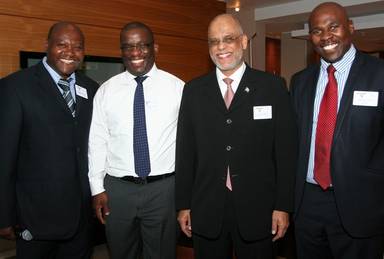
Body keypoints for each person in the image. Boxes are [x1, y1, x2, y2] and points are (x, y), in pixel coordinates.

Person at [175, 14, 297, 259]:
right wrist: (183, 204)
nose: (220, 47)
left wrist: (283, 206)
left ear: (243, 41)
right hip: (207, 206)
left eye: (228, 39)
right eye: (214, 41)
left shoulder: (272, 88)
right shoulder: (194, 90)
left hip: (258, 208)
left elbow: (286, 152)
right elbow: (186, 152)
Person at [290, 2, 384, 258]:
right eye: (317, 30)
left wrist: (382, 193)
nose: (326, 36)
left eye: (333, 27)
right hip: (307, 205)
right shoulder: (300, 81)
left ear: (350, 27)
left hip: (362, 205)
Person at [0, 22, 98, 258]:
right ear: (47, 45)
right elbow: (4, 158)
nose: (70, 52)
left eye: (77, 47)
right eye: (61, 44)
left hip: (80, 219)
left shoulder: (92, 88)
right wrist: (4, 216)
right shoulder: (14, 88)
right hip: (35, 218)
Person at [88, 21, 184, 259]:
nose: (135, 53)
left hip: (163, 190)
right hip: (118, 191)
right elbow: (97, 141)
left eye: (142, 46)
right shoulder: (106, 91)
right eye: (128, 47)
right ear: (121, 51)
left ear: (155, 48)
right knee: (121, 253)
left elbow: (190, 142)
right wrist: (97, 188)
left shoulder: (177, 88)